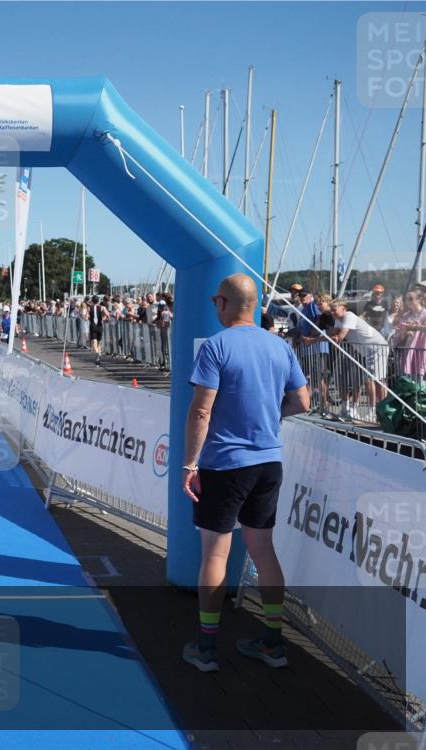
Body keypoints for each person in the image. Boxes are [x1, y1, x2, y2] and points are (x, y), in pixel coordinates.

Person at [181, 273, 309, 673]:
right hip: (268, 462)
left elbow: (201, 410)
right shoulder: (279, 346)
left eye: (214, 301)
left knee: (215, 554)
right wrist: (271, 418)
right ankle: (273, 643)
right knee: (263, 551)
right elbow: (303, 401)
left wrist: (189, 463)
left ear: (222, 303)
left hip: (225, 464)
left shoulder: (217, 346)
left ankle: (206, 648)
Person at [329, 298, 388, 420]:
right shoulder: (338, 320)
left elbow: (340, 336)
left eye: (334, 310)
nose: (332, 313)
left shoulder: (349, 316)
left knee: (373, 380)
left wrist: (335, 337)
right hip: (367, 352)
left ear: (343, 309)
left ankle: (374, 413)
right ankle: (379, 412)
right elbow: (334, 333)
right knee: (372, 380)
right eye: (331, 310)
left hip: (377, 348)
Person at [391, 289, 426, 378]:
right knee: (407, 382)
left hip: (421, 352)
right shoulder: (406, 315)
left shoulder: (425, 314)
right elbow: (398, 336)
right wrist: (405, 331)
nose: (407, 301)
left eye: (411, 299)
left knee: (420, 383)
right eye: (406, 299)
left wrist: (415, 327)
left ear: (419, 299)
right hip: (407, 352)